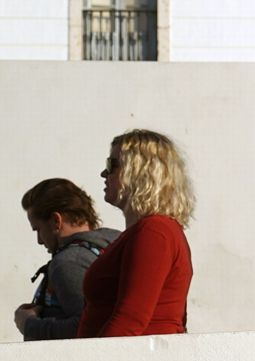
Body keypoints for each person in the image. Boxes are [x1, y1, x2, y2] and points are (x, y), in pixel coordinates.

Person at [78, 129, 194, 338]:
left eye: (111, 165)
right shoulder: (148, 230)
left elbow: (130, 319)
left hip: (133, 356)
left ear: (140, 171)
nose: (104, 174)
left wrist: (99, 357)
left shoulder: (154, 232)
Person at [14, 178, 120, 340]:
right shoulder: (115, 241)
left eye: (38, 229)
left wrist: (29, 324)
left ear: (56, 221)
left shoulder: (68, 262)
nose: (39, 240)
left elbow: (87, 328)